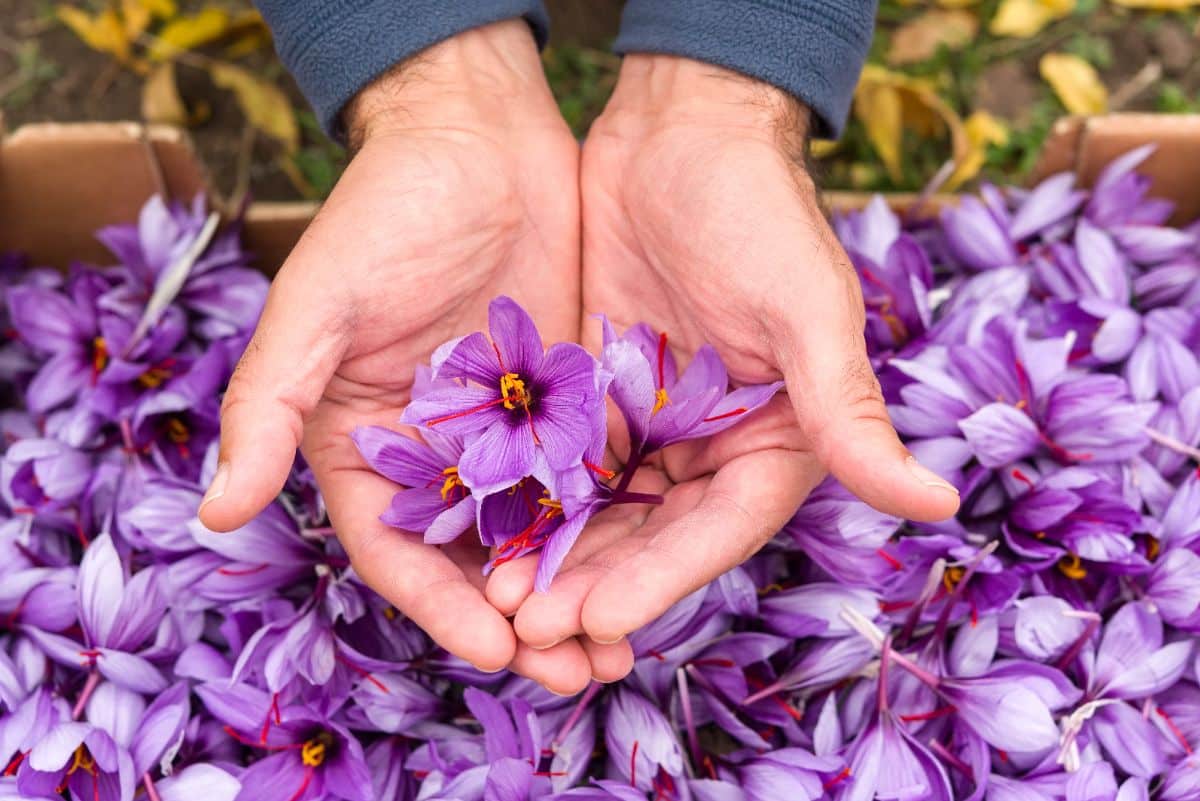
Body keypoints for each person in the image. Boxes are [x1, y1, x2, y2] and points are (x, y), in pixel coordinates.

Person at [196, 1, 961, 694]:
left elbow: (549, 389)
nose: (511, 394)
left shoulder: (550, 386)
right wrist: (434, 76)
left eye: (514, 396)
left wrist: (729, 80)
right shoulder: (520, 406)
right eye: (508, 399)